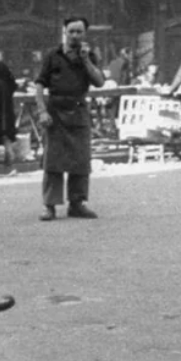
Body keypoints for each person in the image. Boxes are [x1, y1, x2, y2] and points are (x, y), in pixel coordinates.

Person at [33, 16, 105, 221]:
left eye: (79, 32)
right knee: (53, 161)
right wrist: (42, 111)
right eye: (71, 31)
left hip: (79, 110)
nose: (74, 35)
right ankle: (50, 206)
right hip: (55, 111)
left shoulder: (89, 55)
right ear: (64, 32)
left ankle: (77, 203)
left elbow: (99, 82)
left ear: (85, 34)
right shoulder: (52, 55)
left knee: (81, 159)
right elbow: (39, 84)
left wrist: (85, 60)